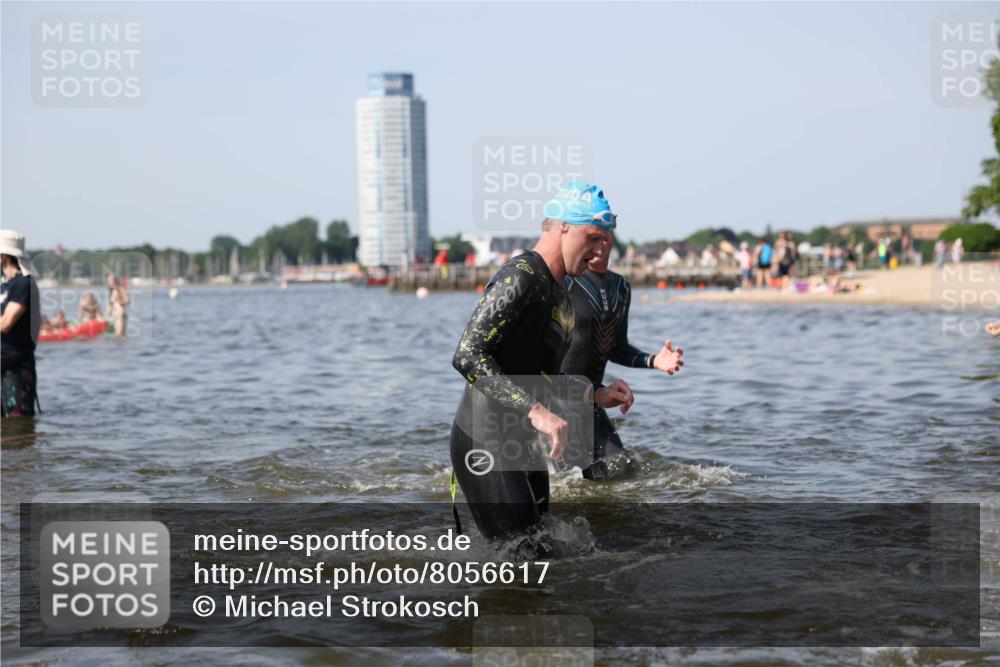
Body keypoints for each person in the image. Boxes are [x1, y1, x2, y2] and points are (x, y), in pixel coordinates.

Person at [450, 181, 634, 543]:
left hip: (522, 445)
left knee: (544, 550)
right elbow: (468, 354)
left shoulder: (561, 296)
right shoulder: (521, 275)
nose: (601, 251)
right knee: (522, 559)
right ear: (563, 226)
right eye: (593, 238)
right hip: (484, 440)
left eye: (606, 241)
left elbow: (545, 379)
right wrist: (536, 411)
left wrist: (596, 394)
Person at [561, 233, 684, 481]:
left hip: (592, 399)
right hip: (559, 395)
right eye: (591, 239)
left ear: (611, 241)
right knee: (571, 478)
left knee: (620, 468)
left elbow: (616, 347)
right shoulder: (566, 281)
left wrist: (653, 361)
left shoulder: (621, 287)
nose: (597, 247)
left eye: (603, 240)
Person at [1, 230, 41, 418]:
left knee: (18, 425)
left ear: (3, 256)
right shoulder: (4, 286)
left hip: (16, 366)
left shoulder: (23, 284)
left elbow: (5, 324)